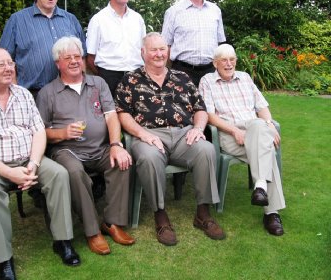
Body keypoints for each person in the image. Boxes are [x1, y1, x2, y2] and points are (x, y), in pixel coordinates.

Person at [0, 48, 80, 280]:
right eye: (1, 64)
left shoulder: (23, 94)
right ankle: (4, 260)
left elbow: (39, 132)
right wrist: (9, 173)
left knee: (59, 174)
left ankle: (62, 241)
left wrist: (33, 164)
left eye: (10, 63)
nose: (8, 68)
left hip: (26, 159)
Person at [115, 32, 225, 246]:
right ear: (143, 53)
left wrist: (198, 128)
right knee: (148, 158)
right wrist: (142, 134)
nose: (159, 54)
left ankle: (203, 213)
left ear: (168, 51)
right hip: (149, 136)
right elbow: (122, 113)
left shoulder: (182, 78)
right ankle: (160, 215)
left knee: (206, 150)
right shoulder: (131, 79)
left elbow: (200, 108)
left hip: (184, 134)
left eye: (162, 49)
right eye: (153, 50)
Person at [36, 36, 135, 255]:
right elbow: (39, 133)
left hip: (99, 148)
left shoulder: (98, 84)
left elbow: (111, 116)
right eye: (67, 57)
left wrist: (116, 144)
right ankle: (92, 231)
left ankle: (112, 222)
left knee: (122, 161)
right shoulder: (47, 93)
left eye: (77, 56)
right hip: (67, 151)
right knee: (73, 172)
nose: (74, 61)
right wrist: (62, 133)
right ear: (57, 64)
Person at [199, 44, 286, 236]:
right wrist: (234, 130)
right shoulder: (207, 81)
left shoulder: (245, 78)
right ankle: (271, 213)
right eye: (224, 60)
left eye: (232, 59)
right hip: (229, 134)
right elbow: (209, 115)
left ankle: (261, 186)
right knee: (267, 150)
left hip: (254, 130)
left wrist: (270, 122)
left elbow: (261, 106)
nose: (229, 64)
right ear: (215, 63)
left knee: (258, 125)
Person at [0, 0, 86, 97]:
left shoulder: (70, 19)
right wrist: (15, 93)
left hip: (70, 94)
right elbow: (4, 60)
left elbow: (82, 57)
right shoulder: (17, 21)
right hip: (31, 94)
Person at [162, 0, 226, 86]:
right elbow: (166, 46)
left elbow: (220, 43)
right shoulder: (173, 12)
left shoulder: (215, 10)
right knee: (181, 105)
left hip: (211, 72)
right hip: (182, 72)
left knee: (209, 105)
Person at [86, 0, 146, 95]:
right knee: (110, 113)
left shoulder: (137, 19)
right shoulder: (98, 20)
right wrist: (105, 75)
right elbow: (90, 57)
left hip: (136, 77)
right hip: (108, 78)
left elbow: (143, 50)